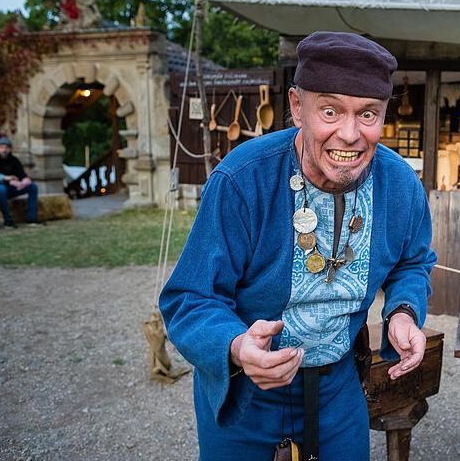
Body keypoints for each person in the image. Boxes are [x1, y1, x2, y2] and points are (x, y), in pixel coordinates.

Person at [159, 31, 436, 461]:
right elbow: (190, 299)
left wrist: (403, 310)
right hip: (247, 395)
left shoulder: (399, 184)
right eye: (330, 110)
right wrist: (236, 346)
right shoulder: (243, 179)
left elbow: (413, 261)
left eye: (368, 115)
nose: (349, 134)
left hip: (338, 390)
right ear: (295, 108)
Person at [0, 136, 43, 228]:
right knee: (1, 189)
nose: (4, 150)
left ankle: (32, 219)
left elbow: (21, 174)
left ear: (11, 149)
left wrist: (25, 180)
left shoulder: (14, 160)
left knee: (32, 186)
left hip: (9, 188)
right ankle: (8, 221)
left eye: (7, 147)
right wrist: (7, 179)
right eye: (1, 147)